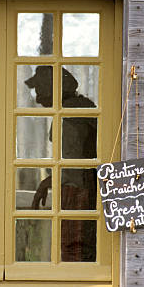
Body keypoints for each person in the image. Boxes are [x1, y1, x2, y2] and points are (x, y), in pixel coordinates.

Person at [24, 66, 97, 211]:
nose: (37, 99)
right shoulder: (79, 108)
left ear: (51, 89)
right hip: (90, 185)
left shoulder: (70, 115)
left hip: (77, 192)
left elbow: (72, 168)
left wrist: (46, 183)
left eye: (39, 90)